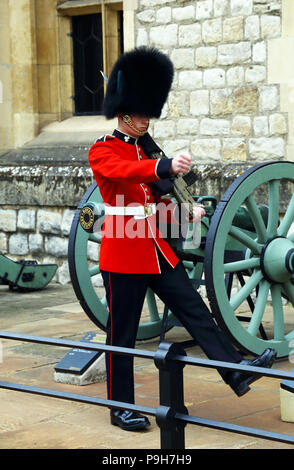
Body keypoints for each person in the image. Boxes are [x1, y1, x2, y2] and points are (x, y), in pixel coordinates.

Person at [88, 47, 276, 432]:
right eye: (140, 112)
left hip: (155, 247)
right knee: (120, 335)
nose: (145, 118)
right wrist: (163, 165)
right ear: (124, 112)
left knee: (197, 312)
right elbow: (126, 174)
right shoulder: (103, 149)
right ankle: (118, 406)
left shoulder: (145, 148)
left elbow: (154, 193)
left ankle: (235, 372)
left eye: (147, 112)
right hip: (123, 251)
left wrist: (185, 209)